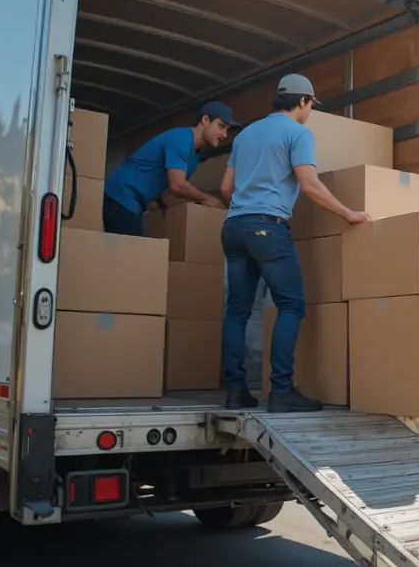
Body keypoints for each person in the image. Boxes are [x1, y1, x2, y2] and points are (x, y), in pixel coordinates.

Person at [220, 73, 371, 413]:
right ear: (302, 101)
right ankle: (282, 391)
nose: (310, 112)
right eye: (310, 106)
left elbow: (226, 188)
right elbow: (309, 184)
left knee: (237, 312)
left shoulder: (245, 135)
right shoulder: (298, 133)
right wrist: (348, 213)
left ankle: (235, 391)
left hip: (233, 226)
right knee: (291, 305)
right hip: (267, 228)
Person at [102, 101, 238, 235]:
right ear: (205, 120)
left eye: (227, 129)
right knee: (135, 253)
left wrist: (160, 202)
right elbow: (177, 185)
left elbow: (169, 187)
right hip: (120, 196)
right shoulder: (181, 141)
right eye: (221, 126)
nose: (225, 135)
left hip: (132, 203)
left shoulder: (196, 155)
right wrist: (208, 199)